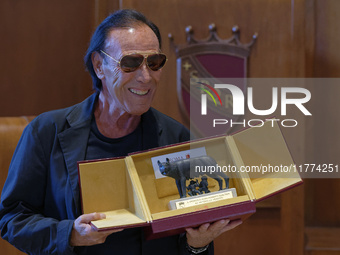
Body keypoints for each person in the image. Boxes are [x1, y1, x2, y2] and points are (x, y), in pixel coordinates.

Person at [0, 9, 242, 255]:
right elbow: (11, 219)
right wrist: (71, 234)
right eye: (130, 63)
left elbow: (188, 235)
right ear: (99, 66)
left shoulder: (177, 139)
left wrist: (198, 244)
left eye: (154, 63)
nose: (146, 77)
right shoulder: (46, 132)